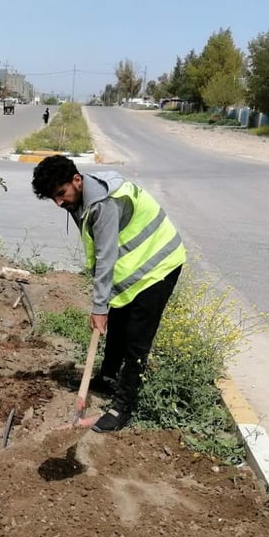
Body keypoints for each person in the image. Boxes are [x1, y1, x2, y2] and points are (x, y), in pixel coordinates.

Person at [31, 155, 185, 433]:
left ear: (76, 180)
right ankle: (109, 377)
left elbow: (106, 257)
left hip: (159, 264)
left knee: (137, 339)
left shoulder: (103, 203)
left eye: (60, 194)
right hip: (135, 266)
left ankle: (122, 407)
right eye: (52, 198)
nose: (58, 202)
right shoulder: (80, 198)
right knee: (117, 324)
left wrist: (99, 307)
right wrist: (105, 306)